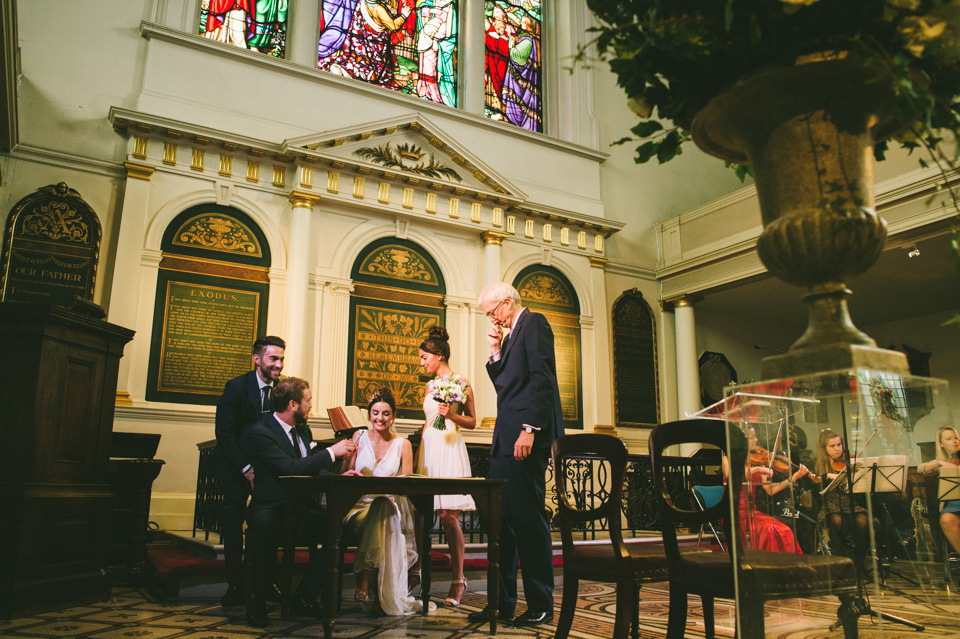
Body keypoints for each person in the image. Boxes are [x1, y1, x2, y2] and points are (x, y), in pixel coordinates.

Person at [468, 282, 564, 626]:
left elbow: (543, 380)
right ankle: (501, 603)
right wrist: (495, 351)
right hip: (504, 441)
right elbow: (506, 387)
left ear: (507, 303)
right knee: (502, 525)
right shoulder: (510, 336)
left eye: (493, 313)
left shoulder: (534, 323)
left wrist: (530, 429)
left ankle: (541, 603)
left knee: (527, 521)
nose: (493, 320)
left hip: (524, 440)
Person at [244, 377, 358, 627]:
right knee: (263, 526)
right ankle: (257, 602)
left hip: (300, 508)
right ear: (293, 404)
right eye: (308, 401)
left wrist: (338, 475)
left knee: (340, 532)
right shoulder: (261, 432)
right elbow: (288, 468)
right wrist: (331, 452)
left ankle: (304, 596)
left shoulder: (302, 431)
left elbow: (310, 471)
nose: (311, 407)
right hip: (271, 506)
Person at [213, 335, 285, 608]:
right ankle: (235, 584)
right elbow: (224, 433)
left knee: (269, 523)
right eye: (273, 359)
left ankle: (266, 583)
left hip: (268, 471)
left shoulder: (282, 390)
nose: (278, 365)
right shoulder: (236, 388)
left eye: (281, 359)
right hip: (235, 467)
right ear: (257, 359)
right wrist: (246, 468)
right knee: (233, 524)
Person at [341, 387, 426, 615]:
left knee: (383, 506)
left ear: (393, 416)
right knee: (380, 507)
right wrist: (348, 460)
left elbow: (407, 486)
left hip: (390, 510)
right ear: (369, 415)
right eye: (375, 413)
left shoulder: (403, 445)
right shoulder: (358, 437)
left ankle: (364, 580)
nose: (380, 418)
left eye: (386, 413)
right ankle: (368, 582)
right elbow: (345, 476)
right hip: (358, 509)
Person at [416, 326, 476, 606]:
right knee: (422, 514)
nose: (422, 362)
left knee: (448, 516)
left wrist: (451, 414)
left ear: (438, 355)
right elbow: (428, 421)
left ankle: (458, 580)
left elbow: (473, 421)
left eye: (424, 357)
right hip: (430, 447)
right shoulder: (429, 386)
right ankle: (417, 575)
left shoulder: (462, 383)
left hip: (450, 445)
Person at [728, 427, 806, 553]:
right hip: (733, 512)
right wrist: (757, 470)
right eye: (752, 437)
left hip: (753, 511)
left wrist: (793, 478)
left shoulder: (758, 461)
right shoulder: (727, 460)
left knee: (783, 530)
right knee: (770, 530)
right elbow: (734, 474)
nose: (757, 440)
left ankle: (786, 566)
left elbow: (770, 490)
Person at [814, 429, 869, 564]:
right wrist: (827, 476)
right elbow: (814, 485)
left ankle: (859, 560)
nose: (837, 449)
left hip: (851, 502)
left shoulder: (849, 461)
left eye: (839, 445)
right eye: (832, 446)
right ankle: (842, 559)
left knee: (863, 521)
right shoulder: (818, 463)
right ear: (824, 448)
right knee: (836, 520)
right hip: (830, 503)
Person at [918, 425, 960, 556]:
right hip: (954, 505)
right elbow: (920, 468)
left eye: (956, 438)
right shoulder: (946, 461)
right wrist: (940, 463)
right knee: (946, 520)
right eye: (949, 439)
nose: (954, 441)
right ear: (941, 444)